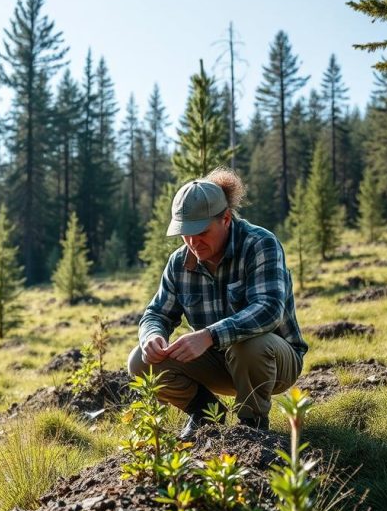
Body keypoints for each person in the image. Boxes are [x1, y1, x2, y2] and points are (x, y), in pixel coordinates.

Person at [126, 168, 306, 440]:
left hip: (274, 362)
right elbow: (156, 314)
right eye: (185, 233)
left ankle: (252, 427)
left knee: (248, 344)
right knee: (140, 361)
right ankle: (206, 415)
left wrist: (210, 335)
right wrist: (152, 335)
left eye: (201, 231)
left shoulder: (260, 244)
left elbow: (269, 309)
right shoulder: (180, 262)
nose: (192, 242)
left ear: (225, 218)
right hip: (219, 362)